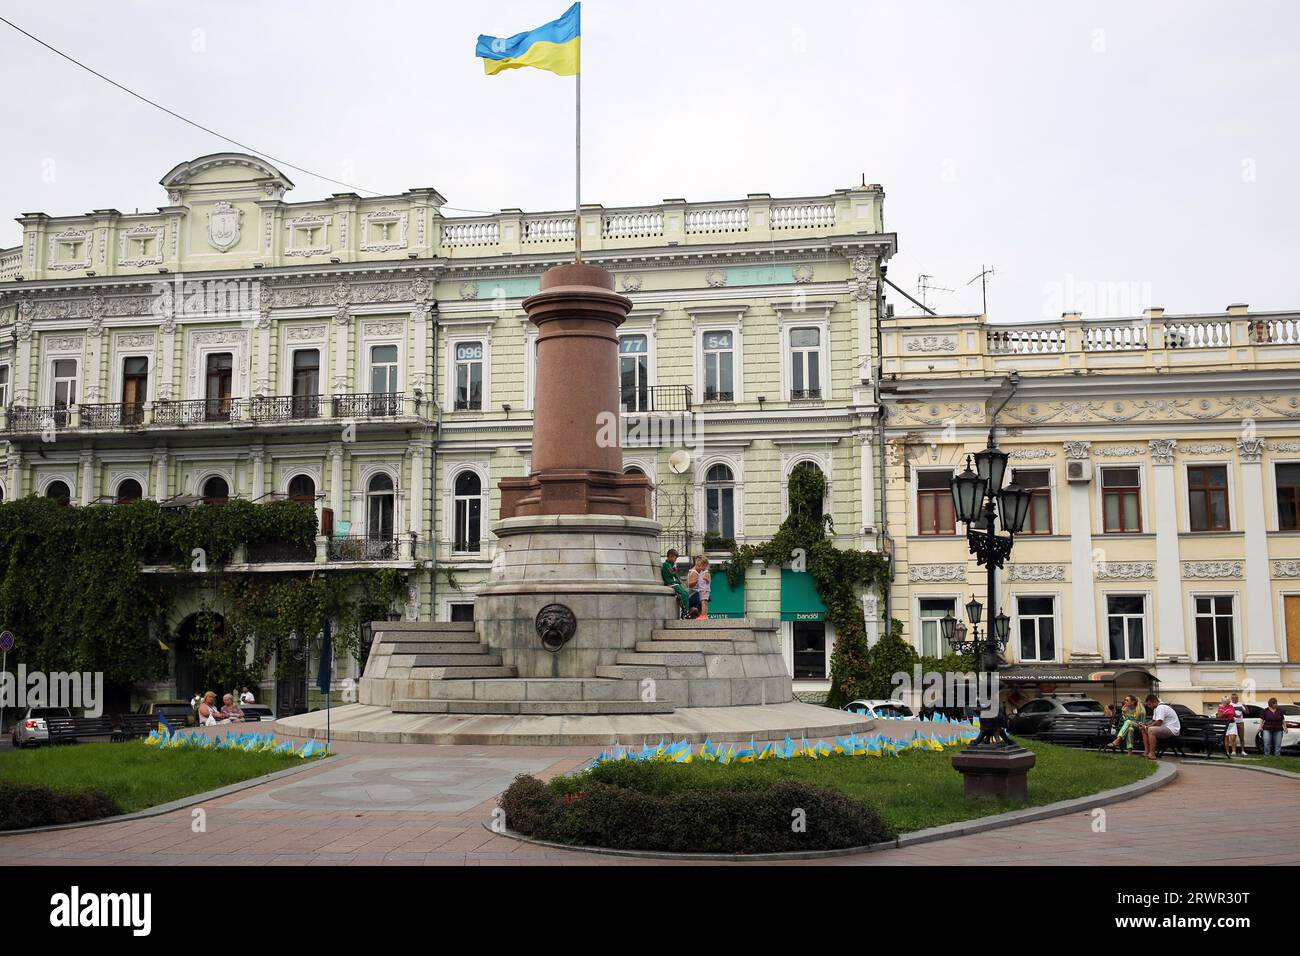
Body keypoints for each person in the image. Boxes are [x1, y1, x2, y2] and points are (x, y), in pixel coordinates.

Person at [1139, 694, 1180, 759]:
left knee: (1151, 730)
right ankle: (1147, 751)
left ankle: (1152, 754)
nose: (1149, 706)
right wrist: (1145, 725)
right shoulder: (1156, 708)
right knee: (1143, 729)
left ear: (1154, 701)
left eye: (1149, 704)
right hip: (1165, 728)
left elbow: (1158, 722)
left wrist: (1147, 727)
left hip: (1172, 729)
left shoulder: (1161, 707)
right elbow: (1153, 721)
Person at [660, 549, 695, 618]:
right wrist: (674, 571)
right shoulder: (666, 565)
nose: (675, 560)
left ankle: (685, 611)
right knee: (683, 594)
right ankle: (685, 611)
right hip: (671, 584)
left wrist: (675, 572)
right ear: (670, 556)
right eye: (675, 558)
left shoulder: (671, 565)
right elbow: (671, 573)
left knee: (685, 593)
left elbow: (674, 574)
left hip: (675, 583)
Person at [686, 555, 712, 620]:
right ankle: (702, 614)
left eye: (703, 566)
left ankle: (703, 614)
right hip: (693, 595)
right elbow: (688, 584)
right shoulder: (694, 572)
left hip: (700, 592)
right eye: (700, 566)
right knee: (704, 601)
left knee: (704, 601)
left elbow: (708, 580)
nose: (701, 568)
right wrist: (697, 580)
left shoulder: (703, 572)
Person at [1230, 691, 1246, 755]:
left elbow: (1247, 712)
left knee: (1241, 738)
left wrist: (1245, 707)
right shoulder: (1230, 705)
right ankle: (1234, 751)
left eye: (1235, 698)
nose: (1234, 699)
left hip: (1240, 722)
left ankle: (1243, 751)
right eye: (1233, 698)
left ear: (1238, 698)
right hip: (1233, 723)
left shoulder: (1240, 704)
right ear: (1231, 699)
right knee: (1233, 738)